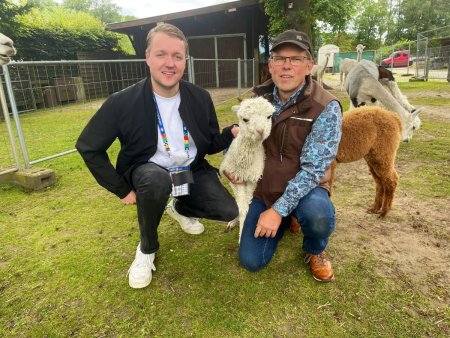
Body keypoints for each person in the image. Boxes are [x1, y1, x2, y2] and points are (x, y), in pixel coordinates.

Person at [76, 23, 239, 289]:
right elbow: (89, 147)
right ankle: (146, 249)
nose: (170, 63)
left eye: (177, 56)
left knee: (228, 210)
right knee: (156, 181)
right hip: (149, 172)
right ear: (148, 57)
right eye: (161, 54)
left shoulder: (199, 97)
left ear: (184, 61)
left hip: (189, 169)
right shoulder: (122, 101)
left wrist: (229, 133)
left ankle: (179, 206)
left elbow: (208, 144)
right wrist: (120, 189)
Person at [225, 30, 342, 282]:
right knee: (251, 261)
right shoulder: (260, 100)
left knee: (318, 215)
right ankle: (288, 219)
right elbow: (241, 136)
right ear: (271, 65)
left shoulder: (325, 107)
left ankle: (314, 248)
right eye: (279, 58)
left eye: (296, 59)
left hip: (306, 187)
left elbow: (313, 170)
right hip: (264, 187)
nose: (286, 66)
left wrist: (277, 211)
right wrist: (232, 165)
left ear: (309, 66)